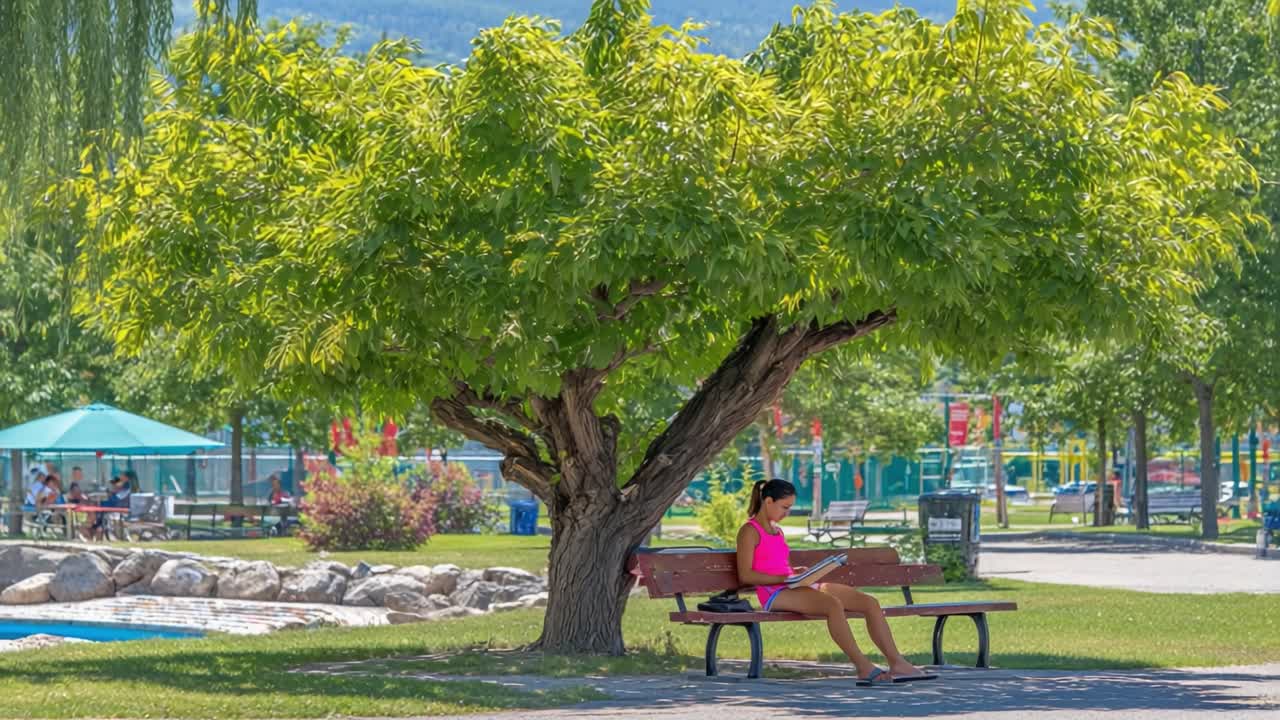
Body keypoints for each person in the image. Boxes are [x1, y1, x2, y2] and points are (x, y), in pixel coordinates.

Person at [735, 479, 936, 685]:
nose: (787, 513)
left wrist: (797, 572)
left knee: (869, 603)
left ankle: (898, 664)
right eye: (784, 507)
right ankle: (863, 667)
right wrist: (784, 578)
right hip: (774, 594)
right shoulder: (749, 531)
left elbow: (776, 564)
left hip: (795, 584)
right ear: (768, 501)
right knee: (832, 605)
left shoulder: (777, 531)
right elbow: (746, 575)